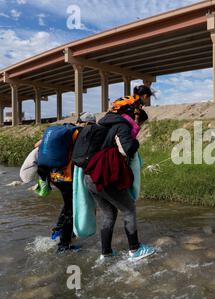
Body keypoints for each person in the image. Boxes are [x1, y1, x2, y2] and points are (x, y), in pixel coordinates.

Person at [84, 85, 154, 261]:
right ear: (128, 111)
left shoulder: (103, 125)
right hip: (103, 176)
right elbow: (129, 148)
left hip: (90, 176)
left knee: (109, 213)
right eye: (135, 111)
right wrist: (135, 143)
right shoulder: (122, 125)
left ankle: (106, 254)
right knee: (129, 209)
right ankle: (134, 250)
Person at [36, 112, 97, 253]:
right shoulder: (80, 134)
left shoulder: (63, 131)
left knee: (67, 204)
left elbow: (37, 144)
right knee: (71, 210)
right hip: (67, 178)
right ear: (88, 124)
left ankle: (57, 232)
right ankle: (63, 246)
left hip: (54, 176)